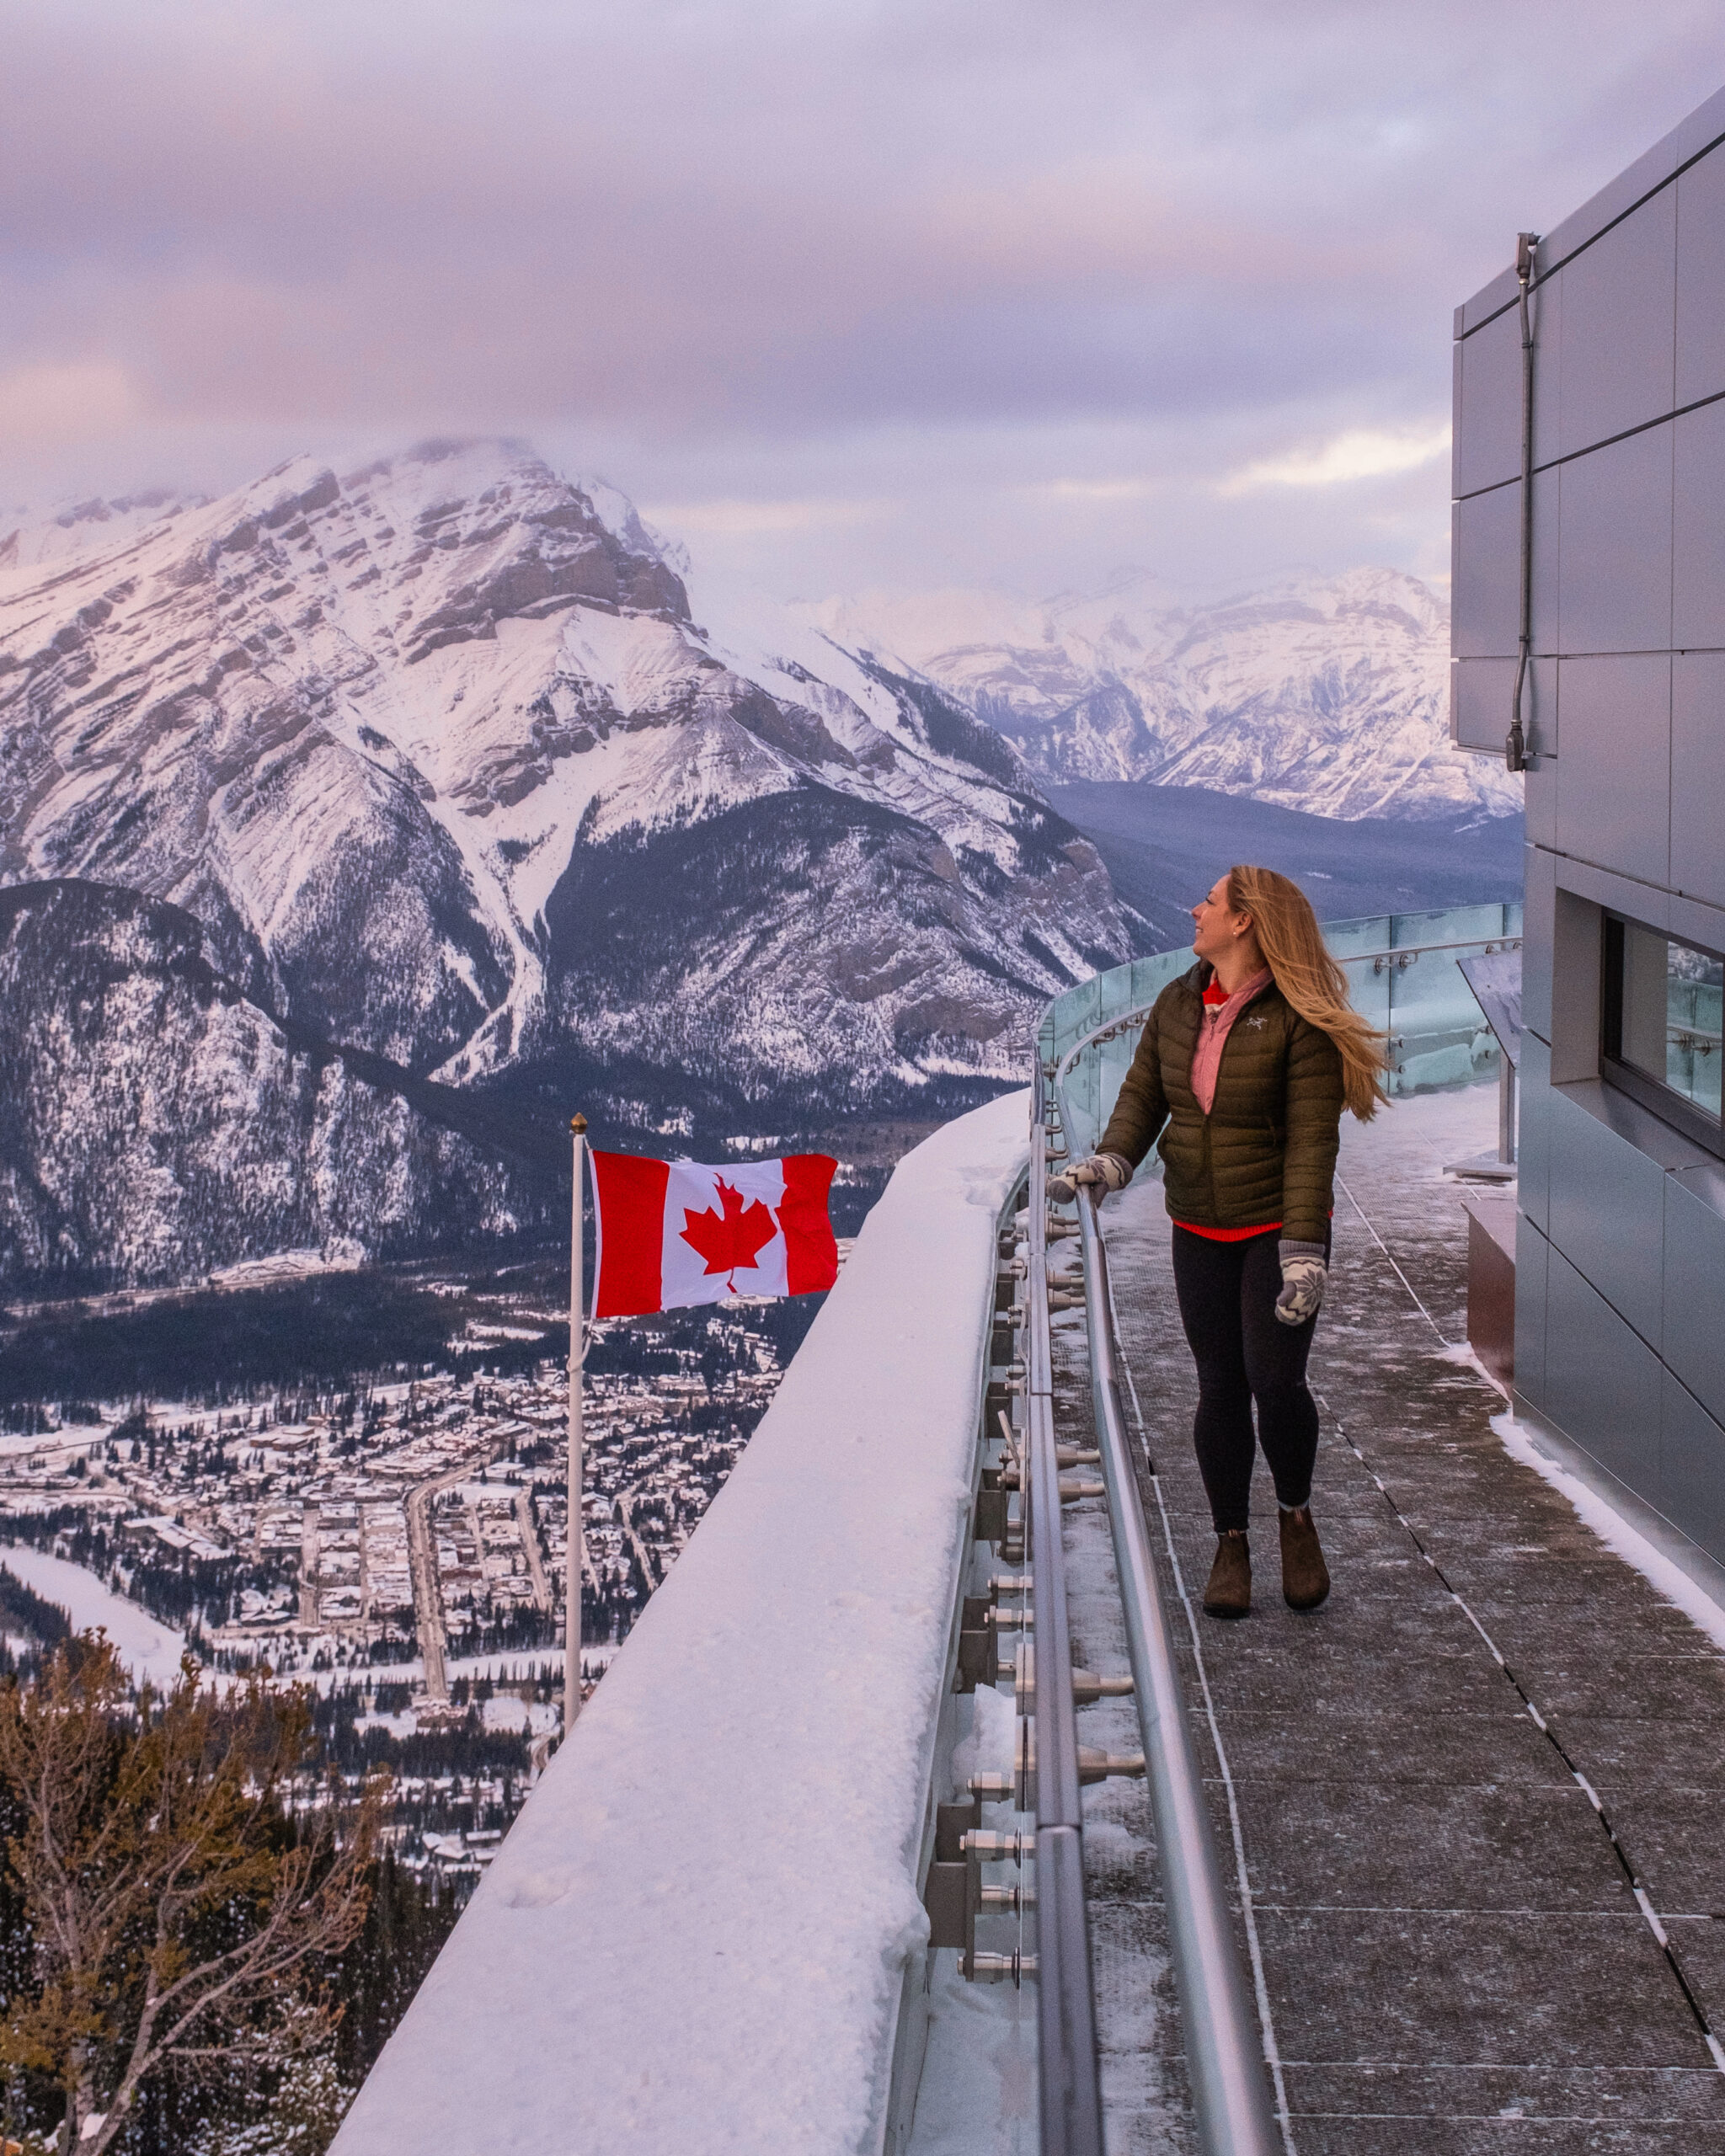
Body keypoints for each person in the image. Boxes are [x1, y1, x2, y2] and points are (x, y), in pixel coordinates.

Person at [1053, 866, 1386, 1619]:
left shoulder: (1299, 1023)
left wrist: (1305, 1251)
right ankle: (1230, 1542)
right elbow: (1145, 1094)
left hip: (1276, 1227)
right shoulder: (1179, 1001)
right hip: (1196, 1225)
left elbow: (1310, 1145)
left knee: (1274, 1381)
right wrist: (1114, 1160)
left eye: (1209, 900)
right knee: (1219, 1387)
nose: (1194, 907)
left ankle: (1295, 1516)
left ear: (1243, 922)